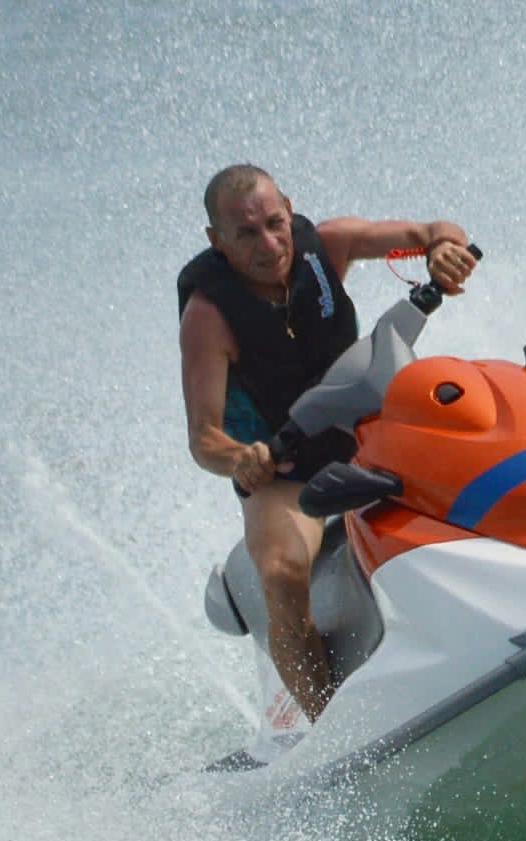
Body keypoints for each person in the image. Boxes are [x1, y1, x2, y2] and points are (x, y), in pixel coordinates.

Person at [177, 164, 476, 723]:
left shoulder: (331, 244)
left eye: (275, 223)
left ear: (289, 210)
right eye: (247, 234)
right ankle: (329, 726)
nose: (270, 244)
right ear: (217, 240)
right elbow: (203, 438)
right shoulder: (208, 317)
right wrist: (242, 457)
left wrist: (443, 250)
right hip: (284, 472)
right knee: (281, 571)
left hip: (368, 434)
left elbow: (436, 230)